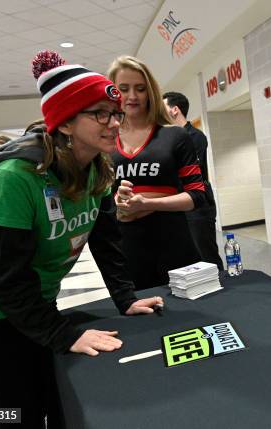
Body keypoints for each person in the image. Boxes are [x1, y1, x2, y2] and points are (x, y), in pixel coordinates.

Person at [0, 50, 164, 428]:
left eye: (115, 113)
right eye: (99, 114)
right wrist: (62, 335)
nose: (114, 123)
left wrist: (125, 298)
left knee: (55, 396)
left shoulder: (98, 167)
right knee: (14, 415)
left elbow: (107, 240)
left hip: (34, 303)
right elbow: (6, 277)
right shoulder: (16, 176)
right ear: (64, 123)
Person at [107, 56, 205, 289]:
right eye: (123, 89)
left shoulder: (175, 136)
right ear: (112, 92)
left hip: (174, 244)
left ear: (150, 91)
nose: (132, 96)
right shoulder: (105, 141)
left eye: (140, 88)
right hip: (127, 249)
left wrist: (147, 204)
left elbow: (197, 196)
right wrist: (116, 203)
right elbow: (98, 202)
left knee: (191, 317)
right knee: (142, 318)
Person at [163, 91, 223, 269]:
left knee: (206, 254)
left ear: (175, 110)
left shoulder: (195, 137)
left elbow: (183, 172)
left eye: (163, 108)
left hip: (198, 205)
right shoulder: (169, 139)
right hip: (179, 205)